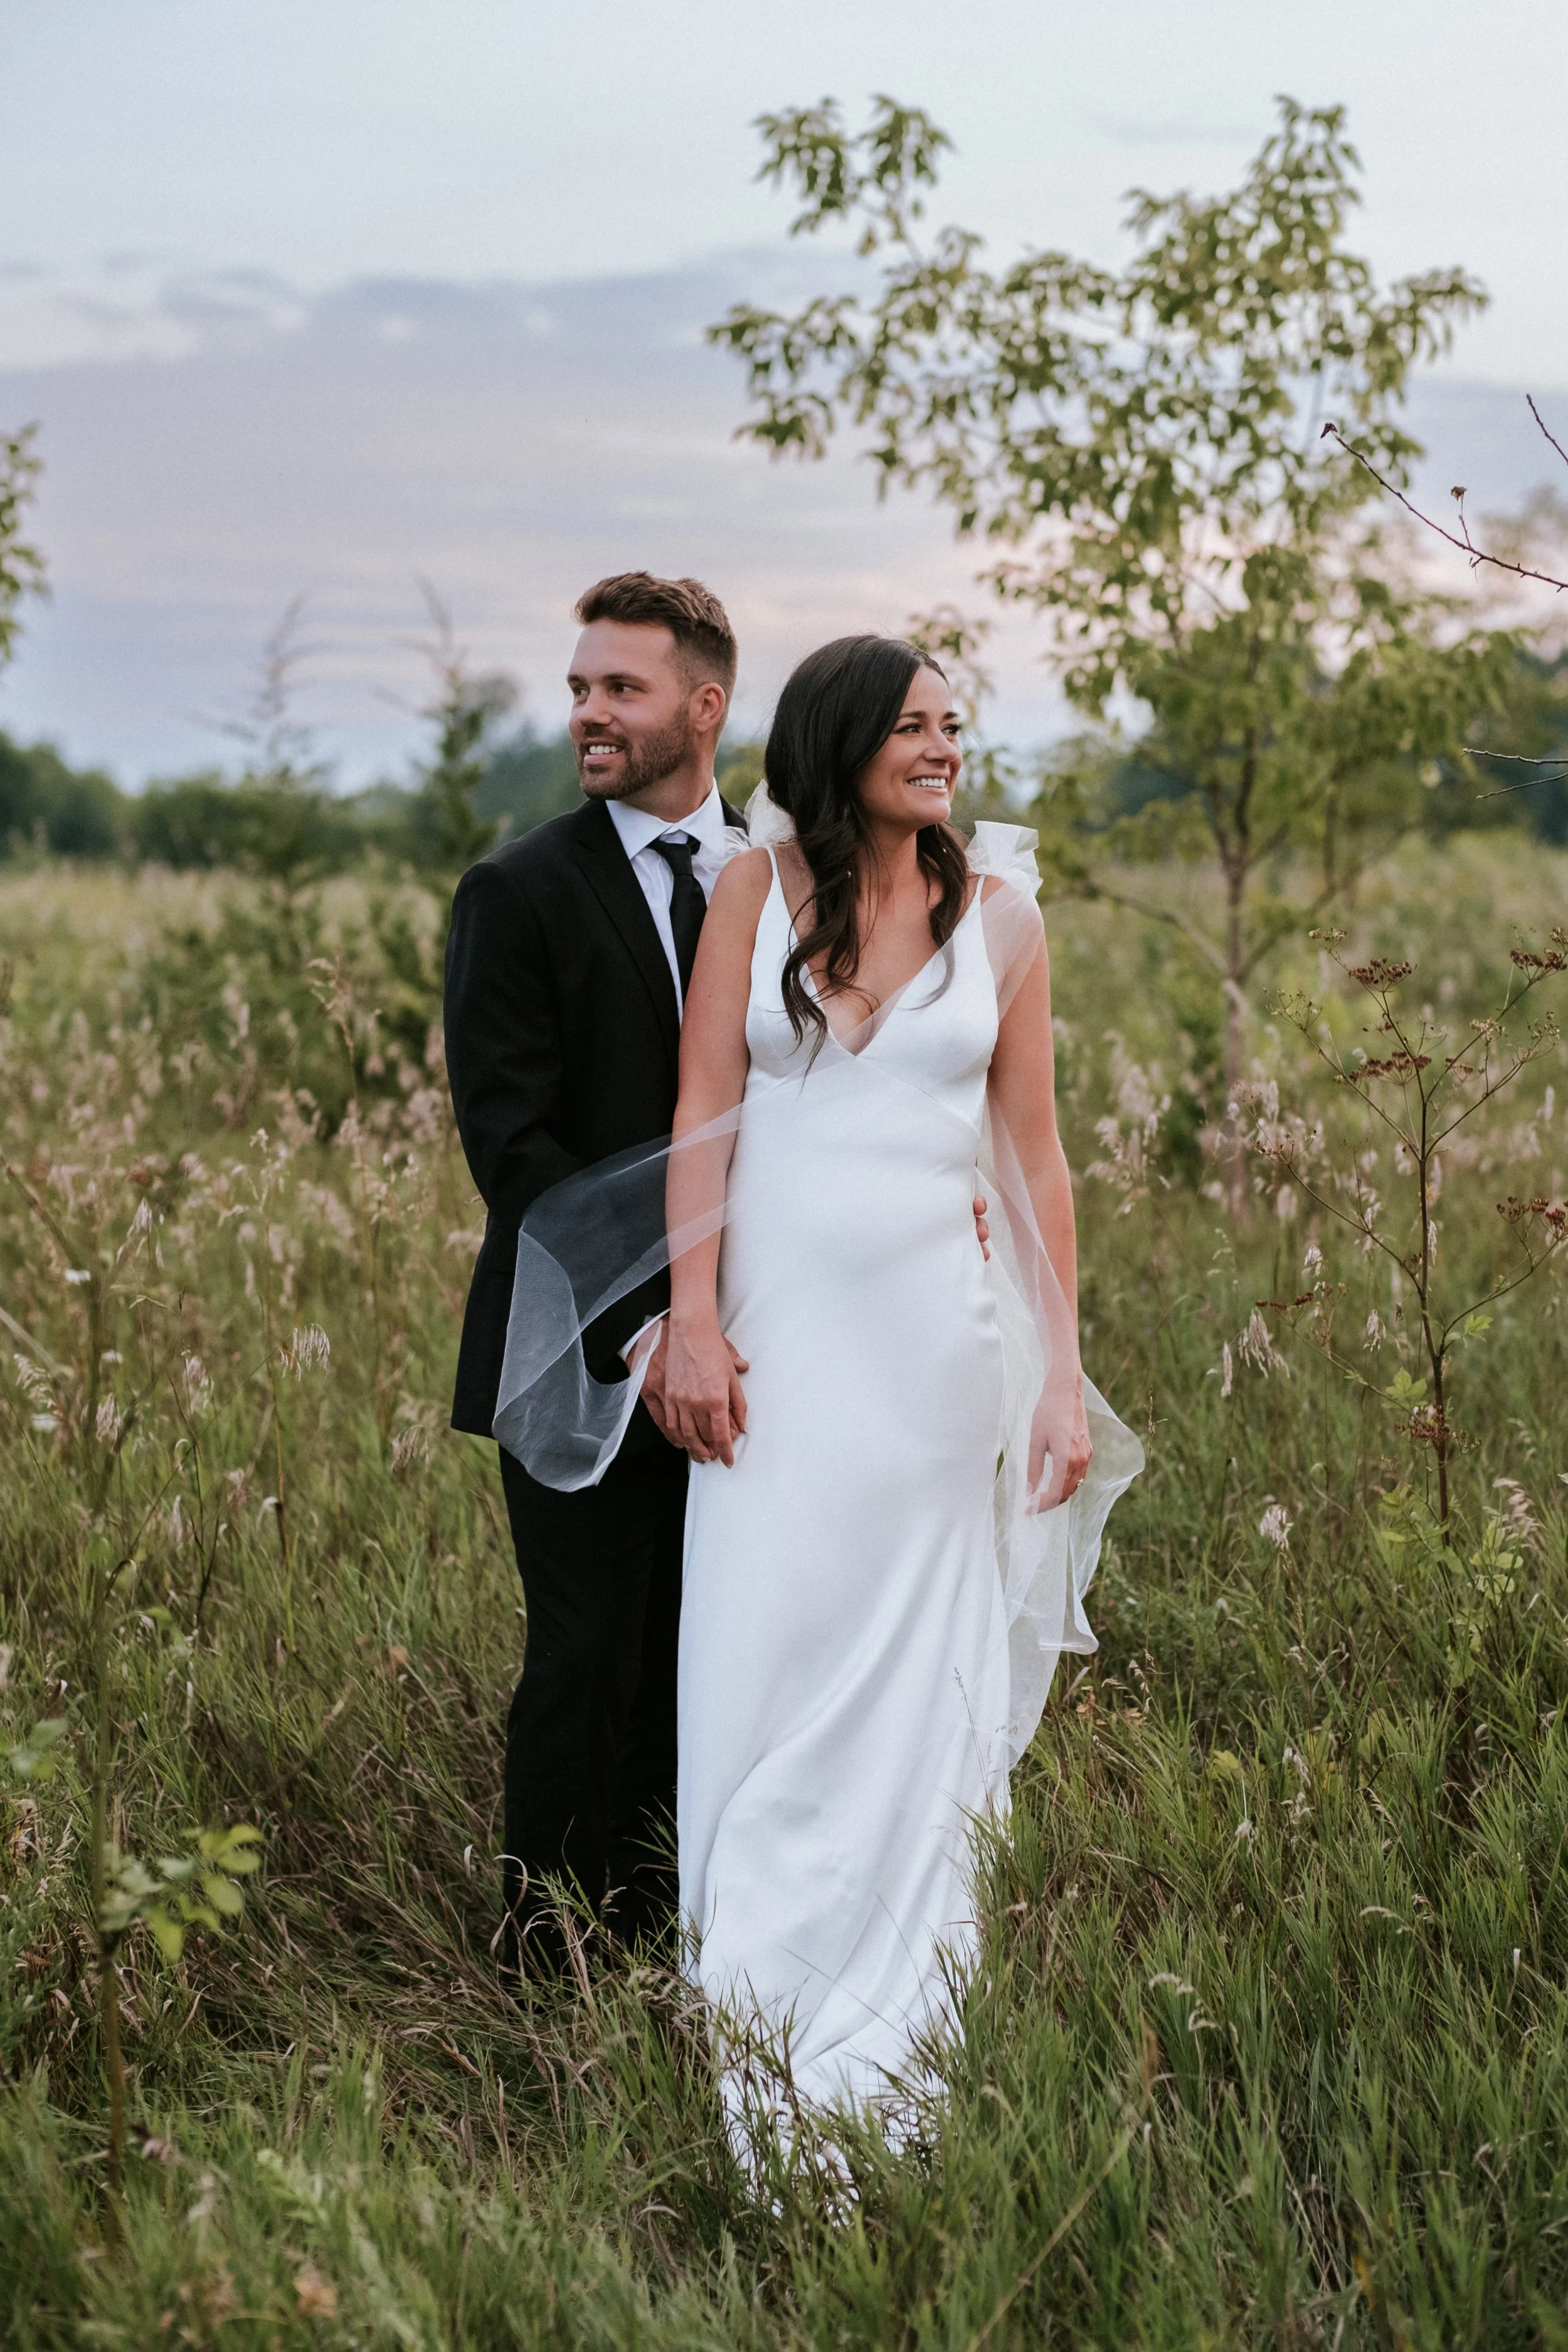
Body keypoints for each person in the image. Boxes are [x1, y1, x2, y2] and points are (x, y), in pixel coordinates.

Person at [657, 635, 1143, 2127]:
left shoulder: (1003, 919)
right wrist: (687, 1320)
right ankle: (748, 2008)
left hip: (939, 1365)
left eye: (952, 724)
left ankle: (900, 2017)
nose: (942, 747)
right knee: (764, 1650)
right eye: (913, 725)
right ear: (840, 739)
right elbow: (700, 1113)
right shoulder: (749, 892)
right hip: (776, 1355)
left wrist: (1060, 1371)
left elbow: (1036, 1156)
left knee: (909, 1679)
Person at [443, 570, 751, 1968]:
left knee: (719, 1648)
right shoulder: (515, 892)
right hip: (575, 1348)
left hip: (772, 1335)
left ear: (705, 704)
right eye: (577, 688)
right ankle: (548, 1963)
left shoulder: (793, 879)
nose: (587, 714)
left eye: (619, 688)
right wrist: (649, 1328)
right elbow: (515, 1150)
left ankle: (694, 1928)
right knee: (587, 1656)